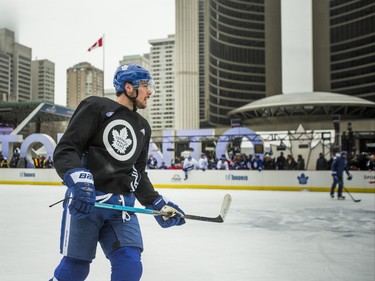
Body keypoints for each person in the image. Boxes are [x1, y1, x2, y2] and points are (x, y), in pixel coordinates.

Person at [49, 64, 185, 281]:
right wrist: (79, 179)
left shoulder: (143, 127)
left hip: (121, 208)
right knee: (74, 270)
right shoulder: (96, 107)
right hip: (87, 202)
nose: (149, 91)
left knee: (129, 266)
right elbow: (67, 149)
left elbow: (138, 173)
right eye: (145, 85)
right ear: (128, 87)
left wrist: (157, 202)